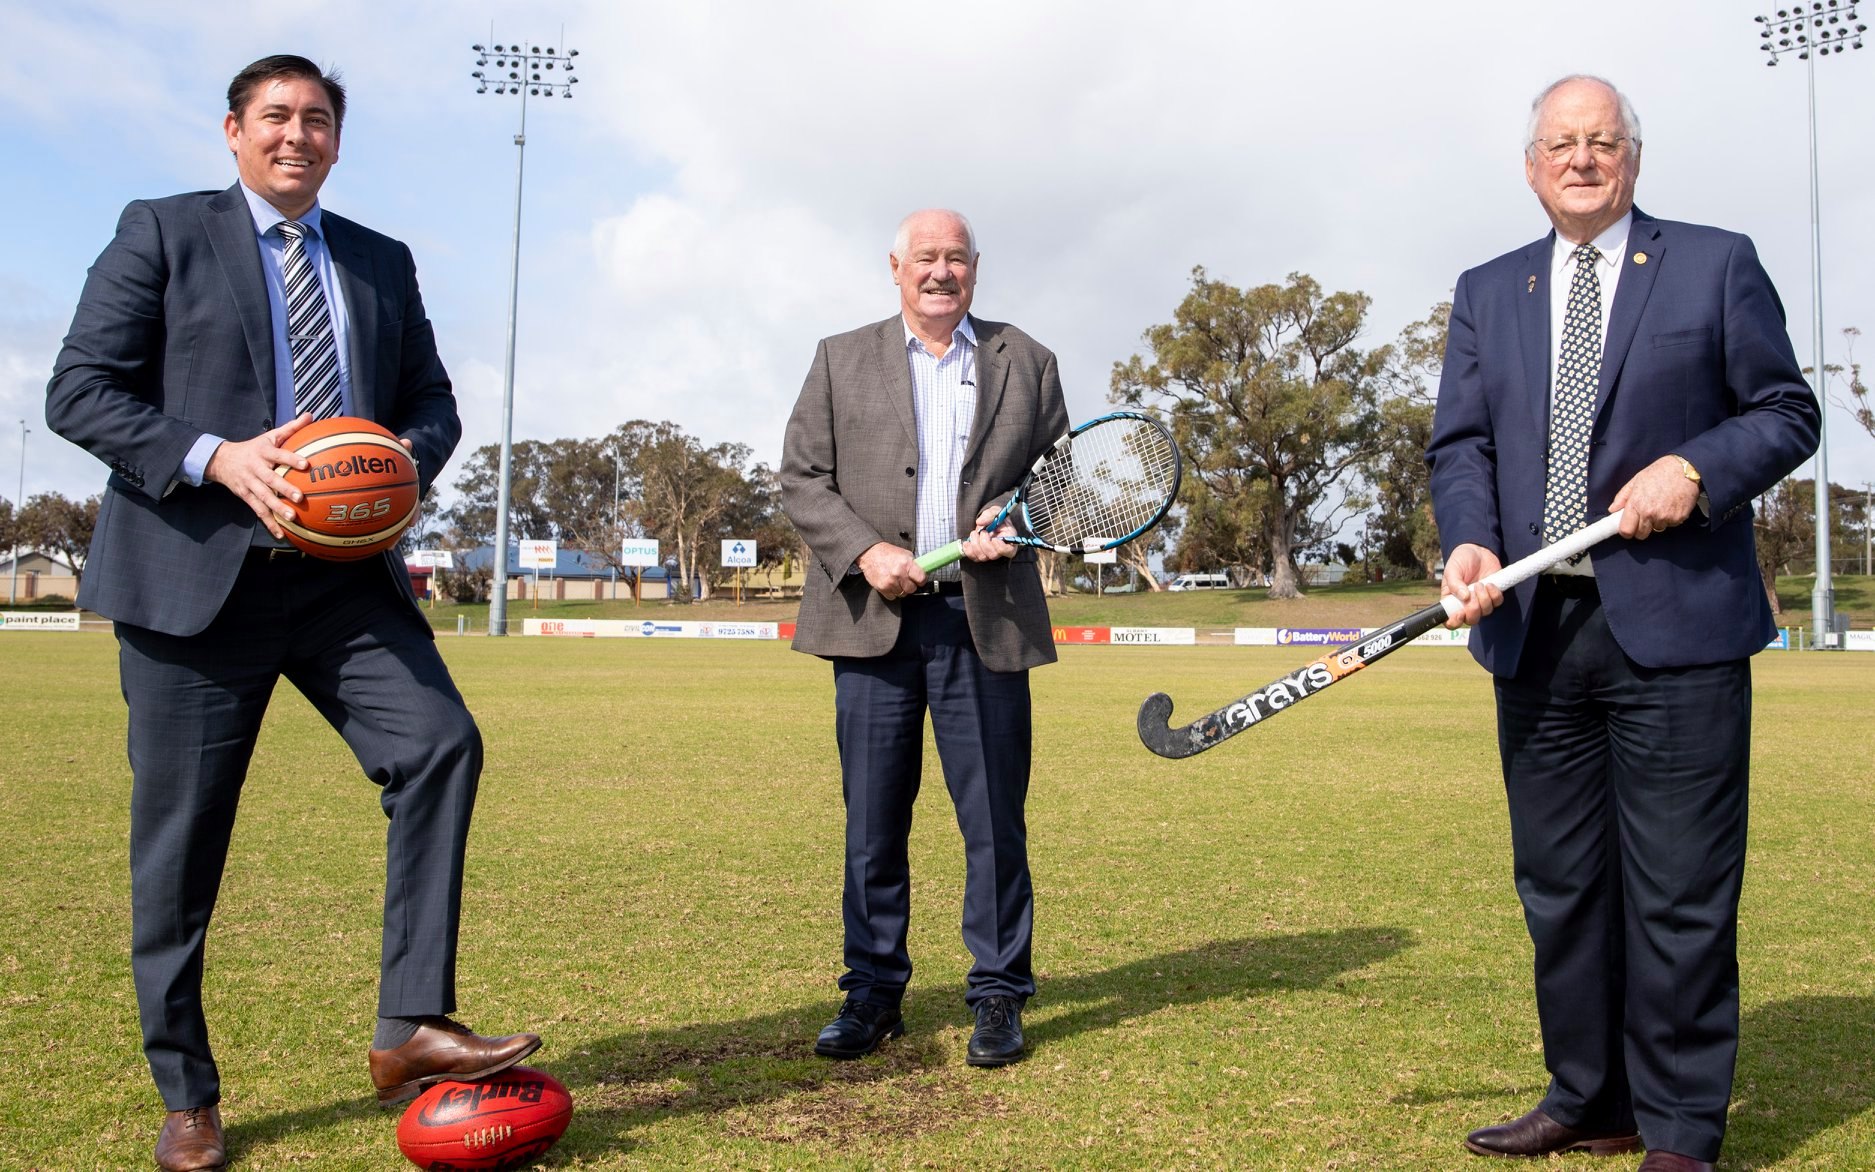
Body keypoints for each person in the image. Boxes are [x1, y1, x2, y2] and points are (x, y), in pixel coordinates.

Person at [46, 55, 538, 1171]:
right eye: (276, 116)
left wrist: (391, 461)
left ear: (336, 140)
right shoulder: (161, 232)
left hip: (340, 583)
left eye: (317, 120)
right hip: (194, 585)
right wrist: (218, 457)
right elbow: (78, 389)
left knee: (440, 744)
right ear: (233, 131)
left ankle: (411, 1022)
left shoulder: (378, 258)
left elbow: (431, 403)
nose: (296, 135)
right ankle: (188, 1091)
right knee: (181, 851)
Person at [1426, 76, 1819, 1172]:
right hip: (1535, 631)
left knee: (1681, 885)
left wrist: (1698, 467)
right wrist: (1470, 541)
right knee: (1561, 884)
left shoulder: (1715, 261)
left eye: (1603, 142)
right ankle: (1589, 1093)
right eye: (1563, 143)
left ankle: (1683, 1125)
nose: (1583, 159)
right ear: (1532, 164)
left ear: (1632, 159)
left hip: (1677, 630)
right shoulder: (1487, 288)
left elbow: (1787, 411)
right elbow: (1463, 446)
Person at [779, 208, 1068, 1068]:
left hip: (982, 623)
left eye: (956, 259)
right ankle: (871, 994)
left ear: (974, 268)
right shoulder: (840, 357)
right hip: (873, 626)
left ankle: (998, 995)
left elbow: (1058, 482)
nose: (941, 272)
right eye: (925, 259)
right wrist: (865, 551)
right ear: (896, 268)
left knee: (992, 822)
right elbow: (801, 477)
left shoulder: (1028, 360)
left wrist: (1018, 522)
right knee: (872, 823)